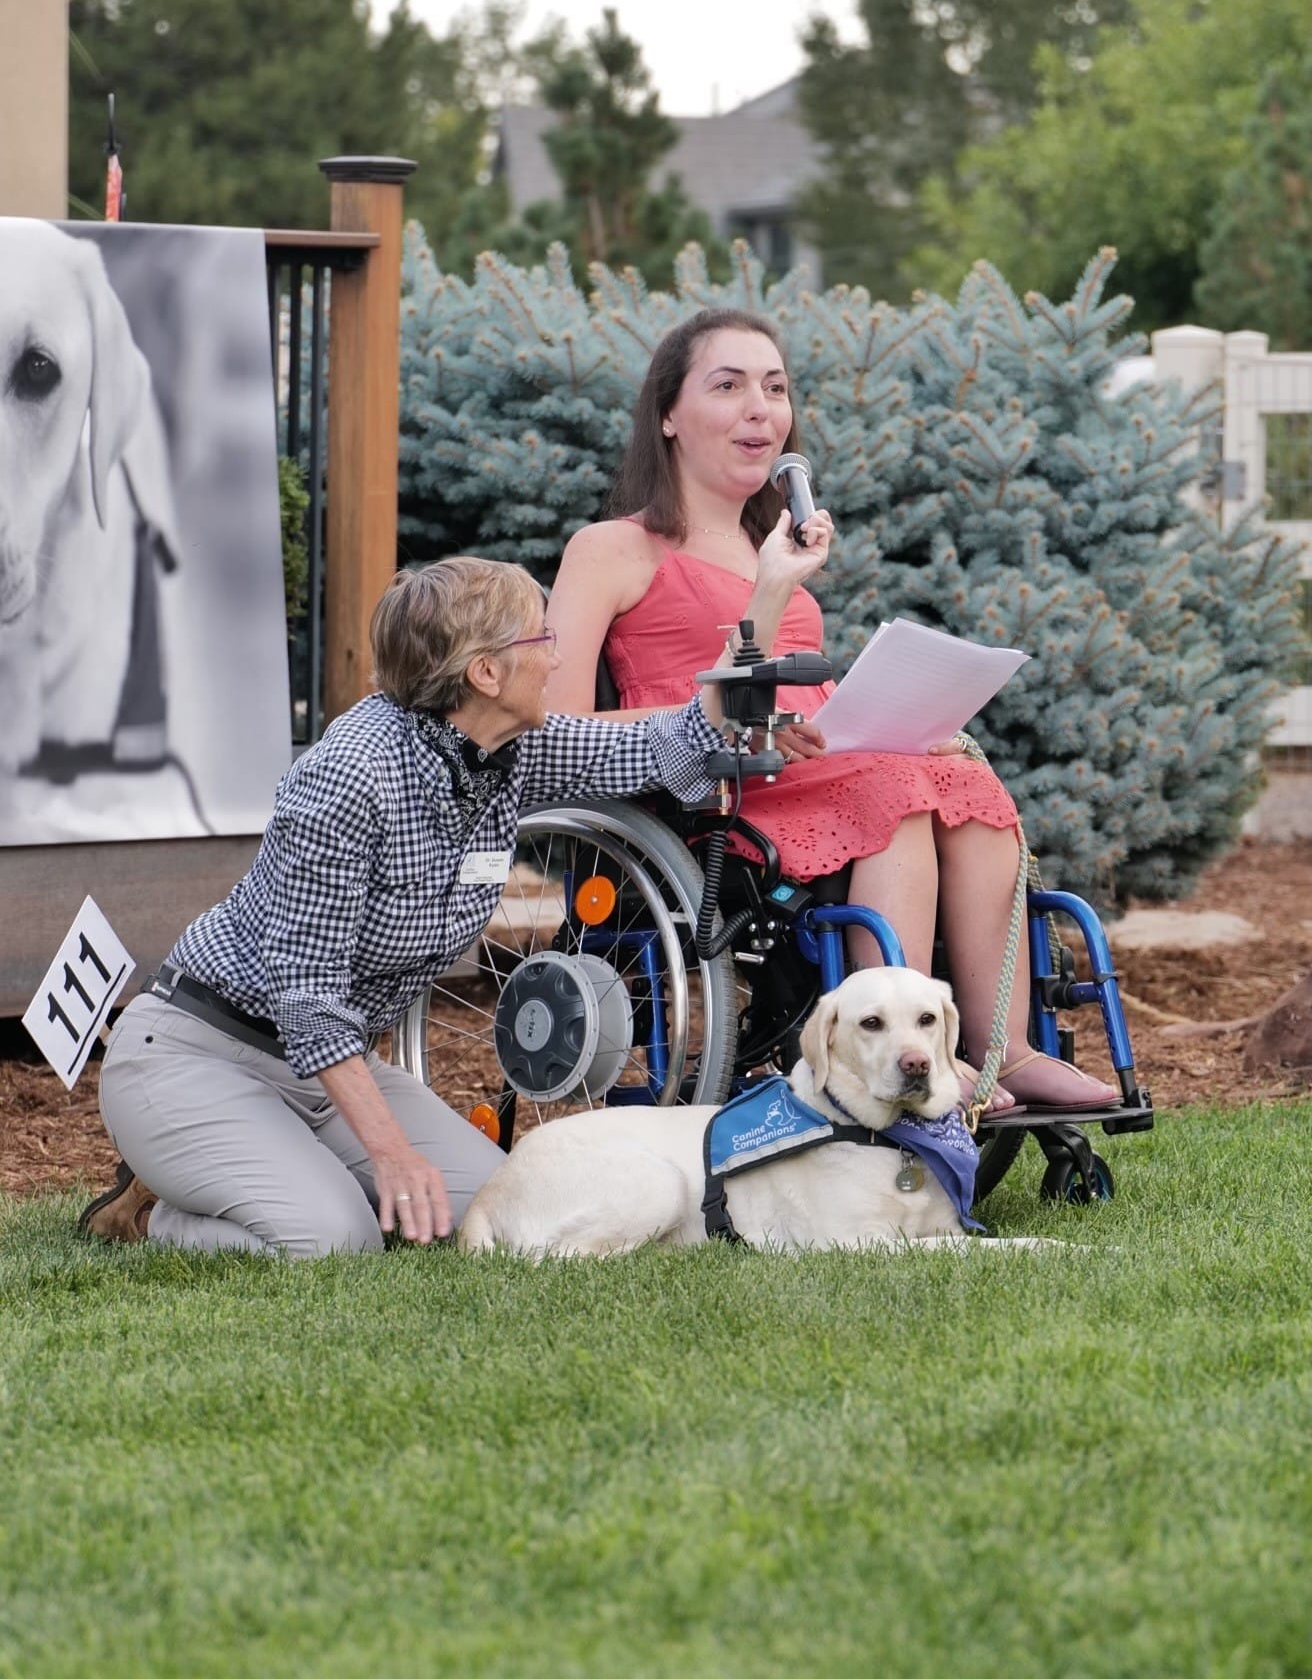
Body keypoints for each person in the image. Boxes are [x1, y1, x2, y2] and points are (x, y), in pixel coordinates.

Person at [78, 554, 764, 1257]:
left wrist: (771, 582)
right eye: (540, 641)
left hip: (325, 1073)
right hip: (203, 1054)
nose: (556, 660)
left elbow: (666, 747)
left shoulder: (510, 748)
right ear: (485, 675)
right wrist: (392, 1155)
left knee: (499, 1213)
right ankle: (150, 1215)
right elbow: (307, 1000)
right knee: (332, 1240)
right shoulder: (348, 777)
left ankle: (277, 1170)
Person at [546, 307, 1119, 1115]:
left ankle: (1003, 1050)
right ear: (668, 415)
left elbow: (809, 700)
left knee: (971, 792)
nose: (761, 408)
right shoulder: (612, 548)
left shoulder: (765, 549)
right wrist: (765, 633)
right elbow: (553, 728)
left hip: (818, 774)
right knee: (896, 796)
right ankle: (883, 1059)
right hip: (705, 795)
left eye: (775, 388)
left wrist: (909, 727)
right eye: (730, 385)